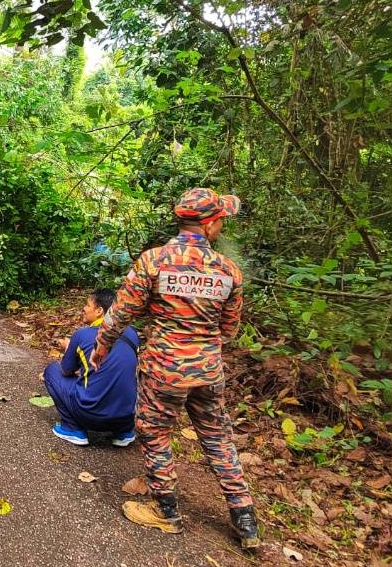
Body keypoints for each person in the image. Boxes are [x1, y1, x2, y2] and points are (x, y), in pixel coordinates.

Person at [90, 187, 260, 548]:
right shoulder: (229, 270)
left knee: (154, 430)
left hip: (164, 368)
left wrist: (102, 347)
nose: (222, 227)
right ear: (210, 224)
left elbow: (121, 313)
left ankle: (164, 509)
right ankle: (244, 517)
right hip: (209, 369)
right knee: (217, 436)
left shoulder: (153, 261)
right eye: (221, 222)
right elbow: (229, 330)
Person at [42, 288, 139, 448]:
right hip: (126, 415)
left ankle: (72, 428)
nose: (84, 309)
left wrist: (68, 348)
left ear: (100, 311)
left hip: (91, 415)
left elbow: (66, 370)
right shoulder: (132, 333)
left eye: (87, 305)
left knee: (52, 370)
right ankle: (124, 432)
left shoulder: (83, 334)